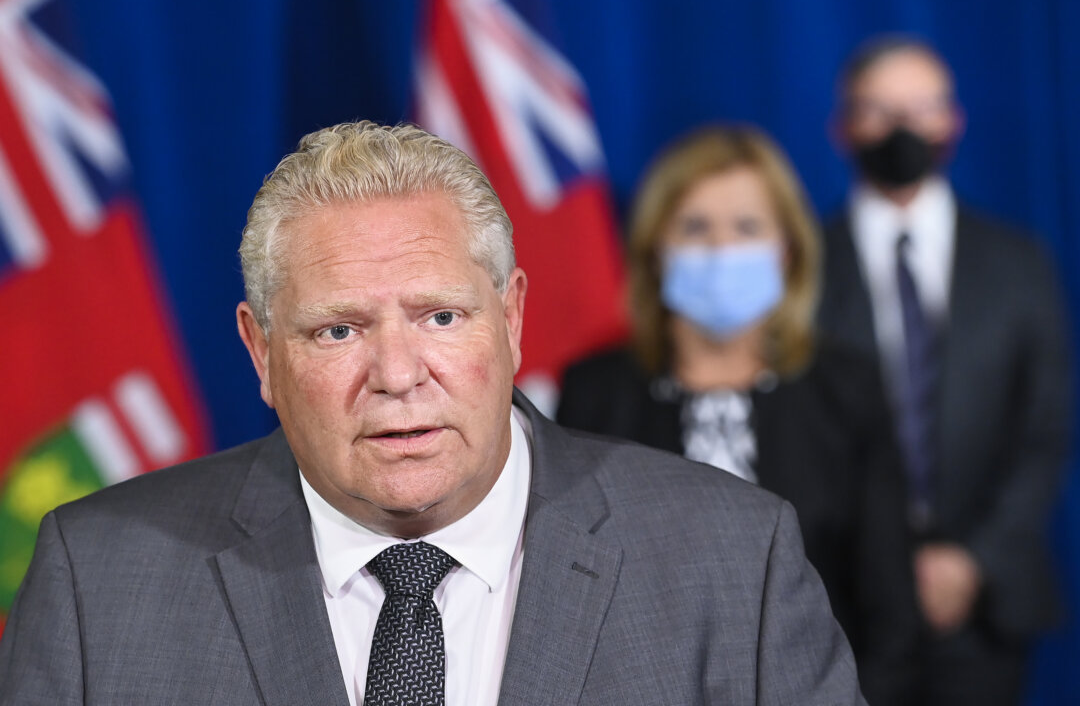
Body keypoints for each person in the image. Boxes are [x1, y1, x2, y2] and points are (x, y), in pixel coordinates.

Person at [0, 121, 866, 705]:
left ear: (513, 318)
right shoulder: (98, 583)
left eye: (440, 317)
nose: (398, 373)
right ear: (262, 353)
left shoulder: (733, 564)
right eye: (338, 329)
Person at [557, 125, 919, 706]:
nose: (722, 248)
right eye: (696, 227)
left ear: (788, 248)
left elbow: (890, 609)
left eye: (747, 228)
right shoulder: (596, 391)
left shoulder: (845, 388)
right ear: (655, 247)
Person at [819, 35, 1072, 705]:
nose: (903, 128)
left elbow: (1045, 428)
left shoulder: (1019, 262)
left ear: (953, 122)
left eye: (922, 107)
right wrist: (883, 565)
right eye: (879, 109)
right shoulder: (804, 264)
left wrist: (972, 559)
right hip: (842, 603)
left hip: (986, 603)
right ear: (843, 126)